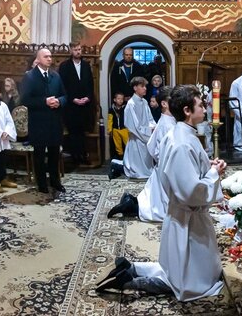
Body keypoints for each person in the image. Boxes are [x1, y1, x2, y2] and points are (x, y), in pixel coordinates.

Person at [96, 85, 226, 300]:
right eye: (201, 105)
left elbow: (185, 170)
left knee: (175, 267)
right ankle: (130, 281)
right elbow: (191, 192)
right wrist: (213, 173)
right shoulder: (182, 143)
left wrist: (206, 165)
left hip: (179, 215)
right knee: (188, 279)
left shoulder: (179, 133)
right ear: (187, 110)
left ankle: (131, 268)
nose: (205, 109)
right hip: (188, 218)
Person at [108, 86, 177, 221]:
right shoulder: (165, 124)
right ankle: (130, 205)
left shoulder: (165, 119)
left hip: (162, 164)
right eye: (173, 100)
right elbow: (133, 125)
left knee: (155, 201)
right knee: (161, 209)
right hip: (145, 145)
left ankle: (130, 202)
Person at [20, 48, 68, 194]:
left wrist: (59, 101)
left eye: (50, 56)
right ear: (38, 59)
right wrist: (44, 101)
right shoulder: (30, 77)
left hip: (54, 122)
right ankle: (41, 184)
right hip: (39, 123)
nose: (49, 59)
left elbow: (65, 96)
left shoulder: (56, 76)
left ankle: (55, 182)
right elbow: (25, 100)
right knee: (39, 155)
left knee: (54, 155)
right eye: (46, 56)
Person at [59, 42, 95, 166]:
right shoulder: (64, 66)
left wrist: (88, 97)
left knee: (82, 132)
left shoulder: (86, 66)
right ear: (71, 51)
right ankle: (75, 157)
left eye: (79, 49)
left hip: (84, 105)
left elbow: (90, 84)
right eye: (75, 49)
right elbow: (62, 86)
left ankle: (83, 155)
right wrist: (72, 99)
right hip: (71, 105)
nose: (78, 52)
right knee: (73, 132)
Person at [123, 76, 155, 179]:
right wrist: (146, 133)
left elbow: (150, 119)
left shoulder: (144, 102)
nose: (145, 88)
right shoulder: (131, 104)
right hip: (137, 138)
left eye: (145, 86)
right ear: (135, 88)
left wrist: (153, 127)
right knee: (137, 168)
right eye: (142, 86)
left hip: (146, 135)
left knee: (148, 165)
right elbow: (133, 126)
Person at [108, 91, 128, 160]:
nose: (120, 100)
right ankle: (120, 157)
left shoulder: (125, 108)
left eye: (122, 99)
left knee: (127, 143)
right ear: (114, 100)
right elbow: (110, 120)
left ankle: (128, 156)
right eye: (118, 99)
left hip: (124, 129)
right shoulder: (111, 109)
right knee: (118, 145)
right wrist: (109, 129)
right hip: (115, 129)